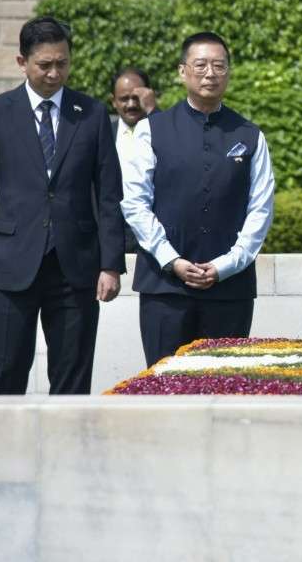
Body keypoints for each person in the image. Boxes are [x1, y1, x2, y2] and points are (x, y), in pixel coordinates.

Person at [0, 16, 124, 394]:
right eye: (45, 65)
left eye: (62, 63)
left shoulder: (93, 114)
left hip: (76, 268)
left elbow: (108, 195)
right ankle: (0, 453)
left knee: (72, 382)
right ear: (22, 62)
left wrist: (110, 263)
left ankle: (67, 454)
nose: (55, 73)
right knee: (4, 376)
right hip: (9, 268)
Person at [121, 31, 275, 365]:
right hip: (164, 288)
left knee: (224, 388)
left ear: (228, 73)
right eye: (201, 65)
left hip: (229, 289)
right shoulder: (151, 130)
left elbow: (260, 210)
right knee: (164, 386)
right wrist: (172, 260)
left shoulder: (249, 135)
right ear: (182, 72)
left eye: (219, 66)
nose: (210, 73)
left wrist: (224, 266)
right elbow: (134, 203)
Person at [110, 66, 158, 252]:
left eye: (136, 97)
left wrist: (153, 110)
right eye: (124, 99)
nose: (131, 104)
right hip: (114, 233)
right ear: (113, 102)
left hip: (155, 233)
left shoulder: (164, 128)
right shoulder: (103, 132)